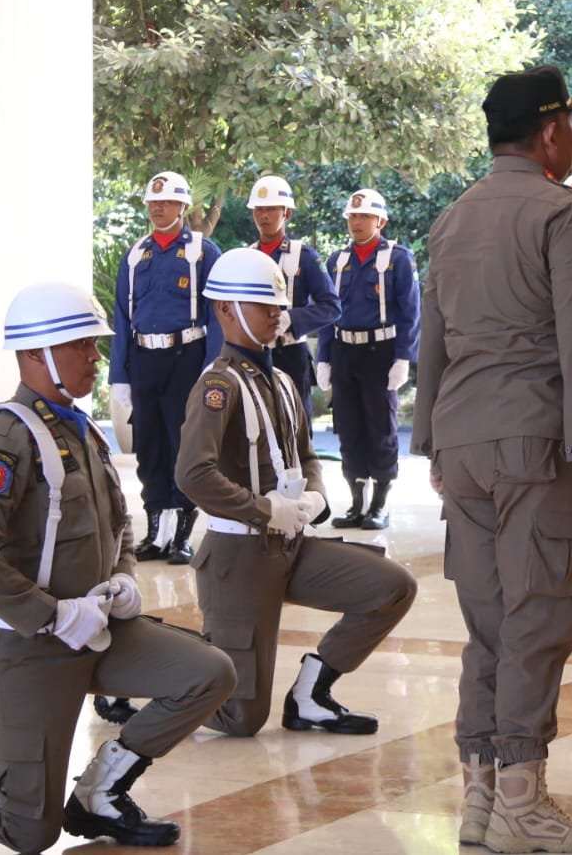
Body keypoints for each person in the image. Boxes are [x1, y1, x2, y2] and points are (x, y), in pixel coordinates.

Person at [0, 282, 236, 852]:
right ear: (37, 353)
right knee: (28, 831)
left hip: (99, 630)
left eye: (93, 343)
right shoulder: (7, 437)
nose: (94, 356)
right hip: (28, 647)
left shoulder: (82, 429)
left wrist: (125, 579)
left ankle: (101, 794)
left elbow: (119, 524)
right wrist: (54, 616)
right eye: (81, 344)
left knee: (208, 673)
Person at [413, 64, 572, 852]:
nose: (571, 138)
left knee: (490, 624)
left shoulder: (452, 218)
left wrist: (428, 439)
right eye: (568, 124)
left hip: (461, 441)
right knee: (541, 617)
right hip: (534, 443)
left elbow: (432, 340)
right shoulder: (562, 214)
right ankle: (523, 806)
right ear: (547, 132)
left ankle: (480, 797)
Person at [175, 248, 416, 737]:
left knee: (391, 587)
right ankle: (150, 664)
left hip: (288, 546)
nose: (277, 315)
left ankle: (311, 693)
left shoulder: (283, 379)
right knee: (239, 719)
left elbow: (305, 454)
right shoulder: (217, 386)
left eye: (279, 305)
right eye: (264, 304)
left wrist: (315, 496)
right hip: (238, 556)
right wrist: (265, 511)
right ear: (225, 309)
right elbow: (193, 475)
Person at [107, 171, 223, 565]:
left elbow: (216, 314)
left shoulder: (203, 253)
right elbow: (122, 316)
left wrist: (212, 366)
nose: (158, 208)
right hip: (144, 359)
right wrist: (119, 375)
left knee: (182, 445)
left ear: (183, 207)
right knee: (150, 446)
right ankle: (156, 532)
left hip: (185, 359)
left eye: (167, 202)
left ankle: (183, 536)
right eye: (153, 202)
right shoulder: (135, 254)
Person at [315, 188, 419, 530]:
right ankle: (357, 503)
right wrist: (324, 358)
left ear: (381, 221)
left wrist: (404, 357)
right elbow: (330, 313)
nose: (357, 222)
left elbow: (410, 313)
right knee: (349, 428)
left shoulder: (398, 258)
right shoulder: (338, 261)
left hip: (380, 352)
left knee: (381, 429)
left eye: (364, 216)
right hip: (346, 351)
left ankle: (380, 503)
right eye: (352, 216)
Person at [245, 174, 341, 410]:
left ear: (286, 213)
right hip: (253, 356)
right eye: (258, 209)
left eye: (271, 209)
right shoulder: (246, 257)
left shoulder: (304, 256)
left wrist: (291, 318)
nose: (263, 216)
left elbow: (331, 307)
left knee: (295, 431)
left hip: (289, 353)